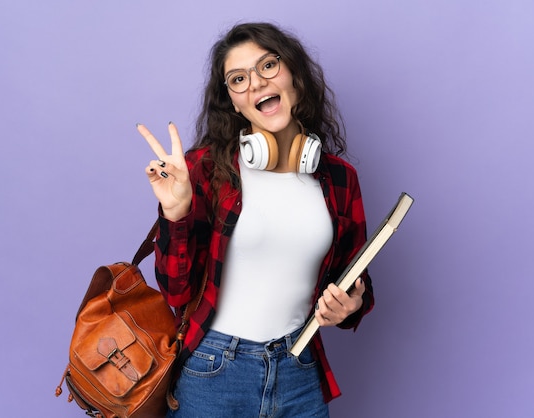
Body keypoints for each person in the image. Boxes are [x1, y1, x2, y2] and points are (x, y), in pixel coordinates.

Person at [136, 22, 374, 418]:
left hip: (300, 366)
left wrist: (352, 303)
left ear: (294, 75)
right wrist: (175, 213)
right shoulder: (204, 169)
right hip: (214, 371)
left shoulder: (339, 179)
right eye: (238, 78)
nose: (256, 84)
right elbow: (176, 294)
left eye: (268, 66)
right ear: (232, 101)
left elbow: (356, 279)